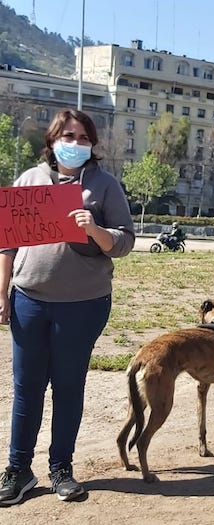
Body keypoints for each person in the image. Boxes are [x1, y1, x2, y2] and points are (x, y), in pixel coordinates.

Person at [0, 109, 135, 505]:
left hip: (83, 305)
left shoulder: (105, 186)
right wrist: (2, 291)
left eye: (82, 137)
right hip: (28, 301)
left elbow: (125, 241)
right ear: (52, 140)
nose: (74, 144)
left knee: (68, 387)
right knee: (27, 389)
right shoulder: (30, 180)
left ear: (92, 144)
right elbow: (7, 243)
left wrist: (94, 229)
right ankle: (18, 469)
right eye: (67, 136)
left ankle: (62, 468)